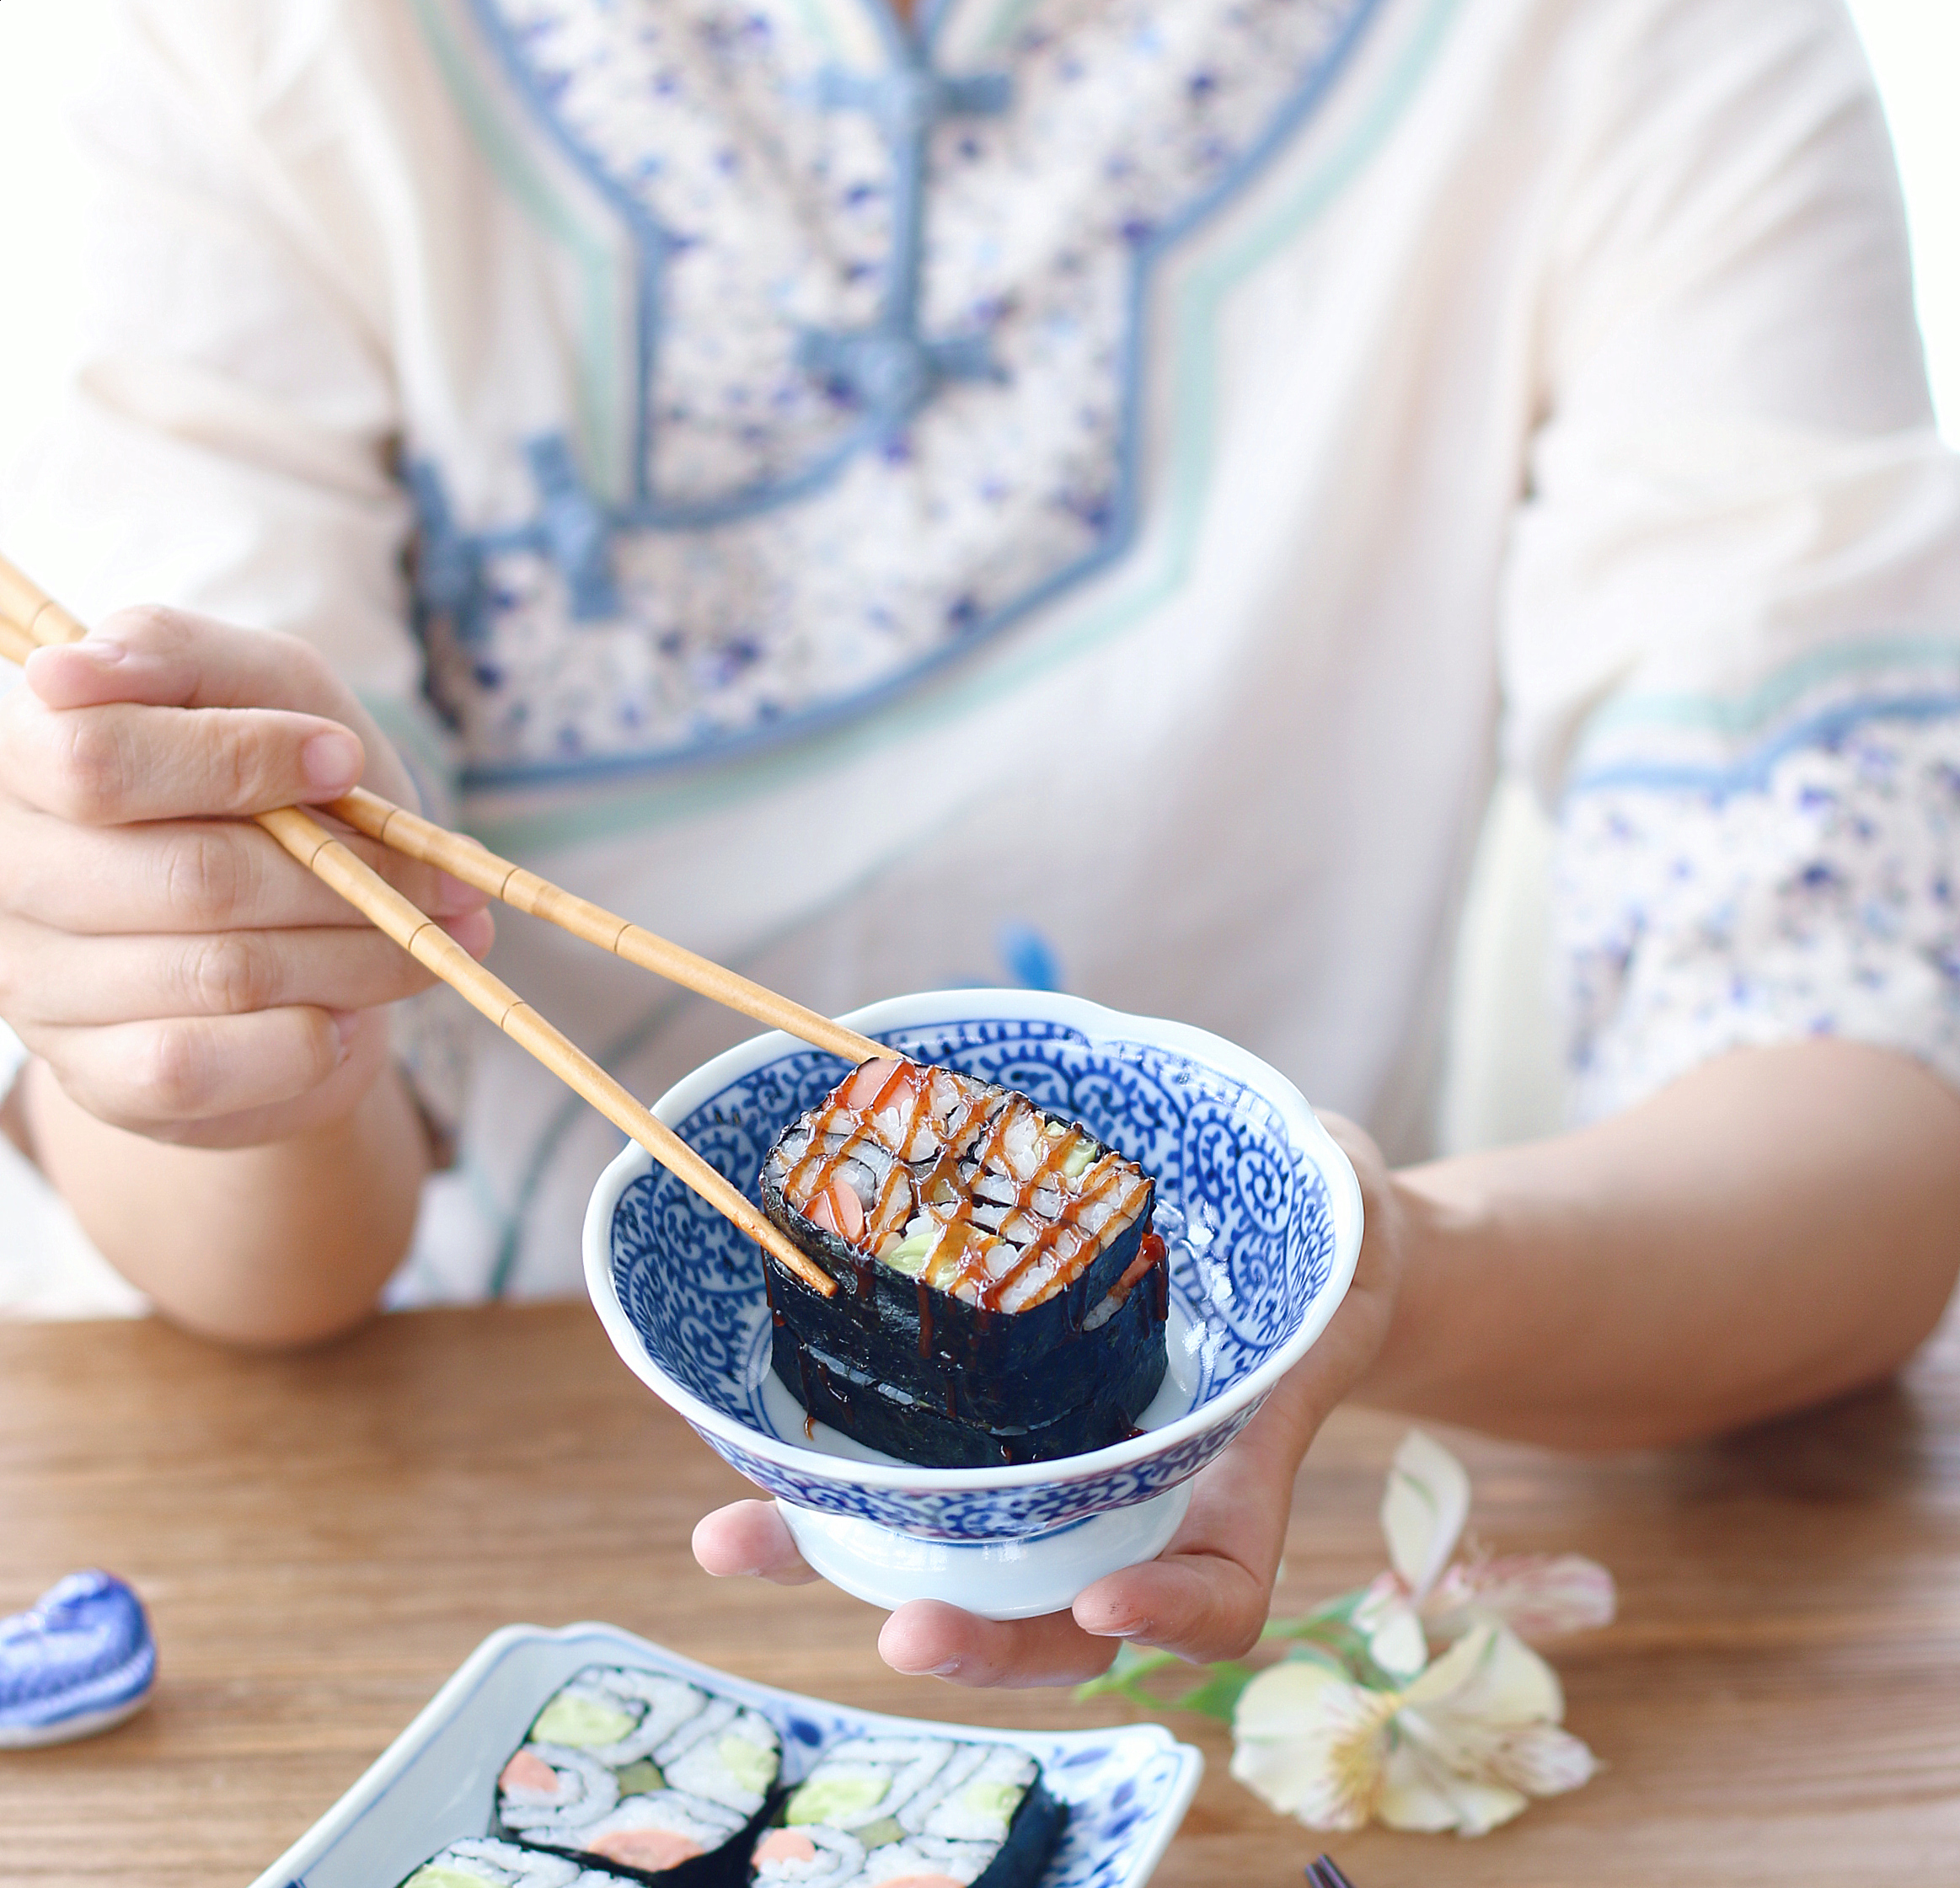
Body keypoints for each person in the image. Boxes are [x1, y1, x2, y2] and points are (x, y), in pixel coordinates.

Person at [3, 0, 1958, 1692]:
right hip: (374, 1561)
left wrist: (1382, 1275)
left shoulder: (1636, 42)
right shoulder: (213, 42)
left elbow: (1856, 1137)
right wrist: (193, 988)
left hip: (1242, 1539)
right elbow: (265, 1257)